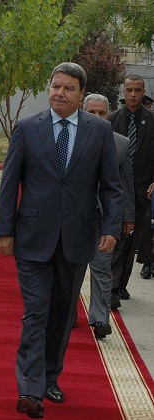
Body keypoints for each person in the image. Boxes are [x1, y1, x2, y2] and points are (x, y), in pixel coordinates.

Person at [0, 62, 123, 418]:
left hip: (77, 238)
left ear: (82, 94)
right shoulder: (26, 129)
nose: (59, 93)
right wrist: (4, 229)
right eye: (55, 86)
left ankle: (50, 376)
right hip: (33, 237)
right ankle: (30, 391)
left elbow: (111, 187)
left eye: (68, 88)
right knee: (35, 312)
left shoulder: (99, 132)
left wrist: (111, 228)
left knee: (61, 312)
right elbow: (9, 184)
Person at [83, 94, 134, 338]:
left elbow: (125, 185)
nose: (97, 117)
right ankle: (69, 314)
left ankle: (100, 319)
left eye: (102, 113)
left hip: (104, 220)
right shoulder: (70, 138)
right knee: (69, 271)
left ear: (109, 115)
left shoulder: (121, 144)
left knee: (102, 270)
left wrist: (127, 217)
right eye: (91, 112)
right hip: (73, 218)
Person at [108, 75, 154, 295]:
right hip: (116, 187)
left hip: (142, 188)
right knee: (115, 234)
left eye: (137, 90)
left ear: (143, 91)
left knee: (131, 237)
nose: (133, 95)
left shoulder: (152, 120)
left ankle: (121, 285)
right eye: (129, 90)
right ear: (123, 91)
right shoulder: (111, 120)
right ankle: (112, 283)